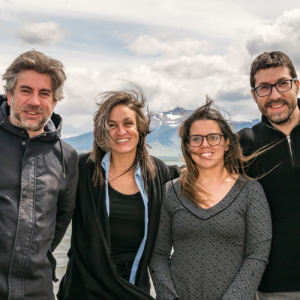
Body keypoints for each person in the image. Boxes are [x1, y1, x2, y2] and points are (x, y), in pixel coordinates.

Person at [58, 88, 178, 300]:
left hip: (134, 288)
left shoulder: (158, 172)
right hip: (84, 289)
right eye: (111, 125)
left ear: (140, 126)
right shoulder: (83, 169)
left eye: (128, 123)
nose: (120, 131)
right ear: (102, 131)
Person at [150, 99, 272, 300]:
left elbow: (257, 255)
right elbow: (158, 255)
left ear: (226, 142)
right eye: (196, 139)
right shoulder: (171, 192)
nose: (204, 145)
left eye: (213, 137)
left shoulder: (250, 191)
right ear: (187, 146)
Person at [0, 50, 78, 300]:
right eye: (26, 90)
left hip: (37, 291)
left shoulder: (66, 157)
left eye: (44, 93)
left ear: (54, 102)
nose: (35, 101)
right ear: (10, 95)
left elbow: (58, 226)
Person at [239, 51, 300, 300]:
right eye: (264, 87)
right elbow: (203, 174)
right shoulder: (244, 143)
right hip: (275, 286)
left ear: (296, 85)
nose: (275, 95)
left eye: (282, 83)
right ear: (254, 95)